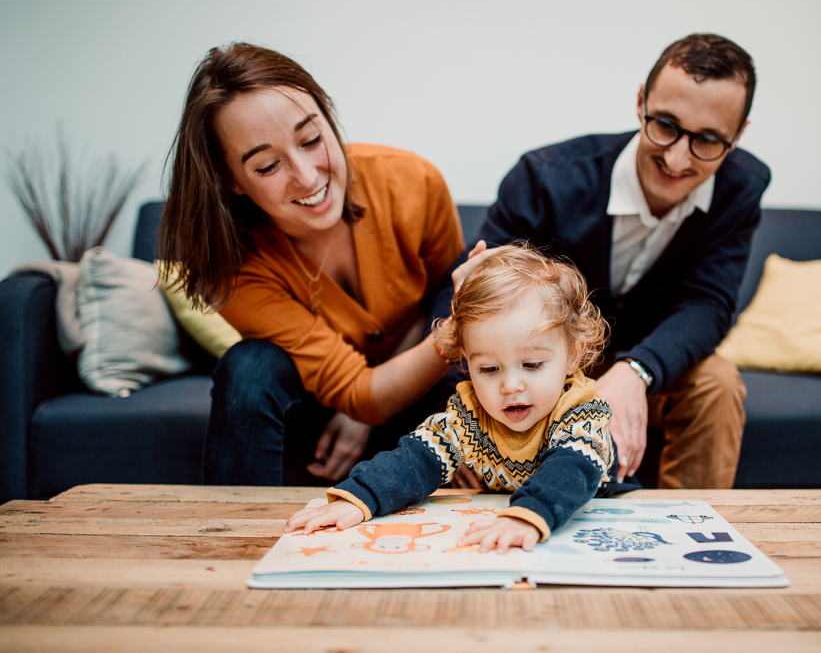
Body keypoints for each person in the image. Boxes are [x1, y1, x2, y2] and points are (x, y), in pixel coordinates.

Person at [433, 33, 770, 489]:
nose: (676, 158)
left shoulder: (743, 188)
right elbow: (476, 307)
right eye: (665, 125)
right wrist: (466, 416)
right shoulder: (544, 177)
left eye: (708, 140)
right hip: (545, 362)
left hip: (651, 365)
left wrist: (637, 371)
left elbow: (708, 305)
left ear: (739, 134)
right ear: (640, 101)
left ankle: (688, 537)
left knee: (718, 382)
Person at [160, 43, 487, 486]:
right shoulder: (233, 266)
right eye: (268, 165)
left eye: (311, 139)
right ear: (232, 182)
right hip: (320, 411)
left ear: (329, 121)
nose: (308, 176)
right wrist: (365, 402)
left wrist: (393, 412)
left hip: (425, 384)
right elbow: (355, 389)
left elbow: (438, 298)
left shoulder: (413, 180)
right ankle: (235, 537)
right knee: (250, 365)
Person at [285, 245, 625, 554]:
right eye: (489, 368)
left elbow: (570, 471)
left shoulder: (582, 412)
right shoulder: (469, 414)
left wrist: (525, 516)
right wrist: (361, 498)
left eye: (532, 365)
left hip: (596, 510)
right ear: (465, 360)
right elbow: (416, 458)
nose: (509, 385)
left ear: (574, 354)